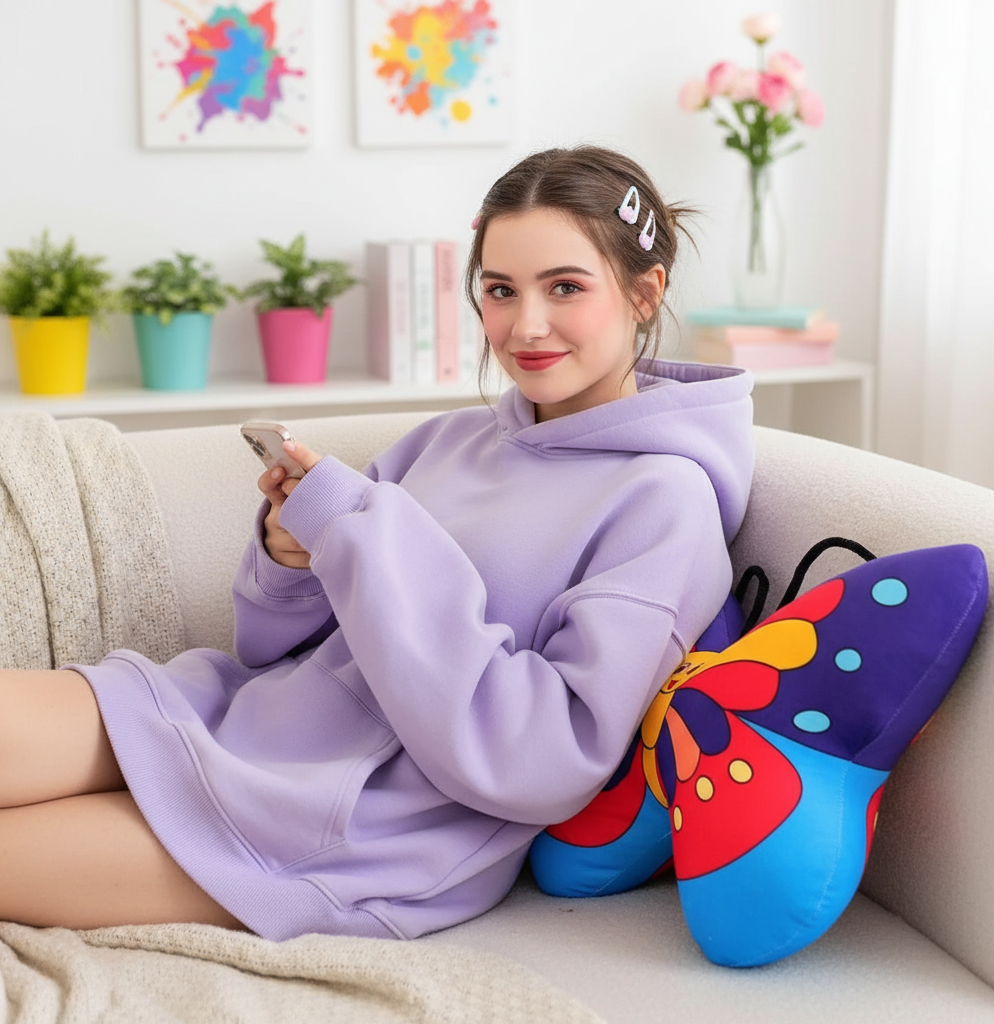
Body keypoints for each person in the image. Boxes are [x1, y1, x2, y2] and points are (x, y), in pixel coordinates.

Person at [0, 145, 753, 940]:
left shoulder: (665, 503)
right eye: (500, 291)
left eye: (565, 287)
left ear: (645, 293)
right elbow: (273, 648)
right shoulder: (449, 440)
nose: (525, 326)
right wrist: (291, 560)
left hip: (365, 822)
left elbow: (542, 762)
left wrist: (361, 533)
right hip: (237, 716)